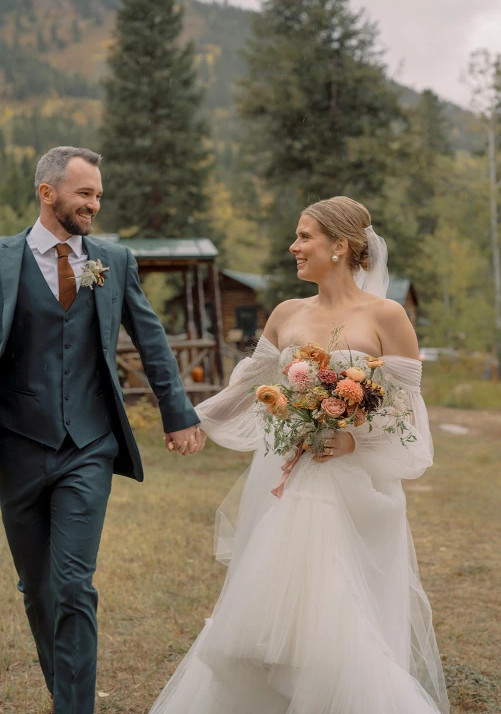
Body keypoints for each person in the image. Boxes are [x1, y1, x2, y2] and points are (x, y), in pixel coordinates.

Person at [150, 196, 450, 714]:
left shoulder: (387, 315)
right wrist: (192, 418)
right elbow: (247, 386)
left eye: (305, 235)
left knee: (339, 614)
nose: (294, 246)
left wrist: (353, 439)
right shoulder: (287, 313)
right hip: (287, 477)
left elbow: (407, 413)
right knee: (275, 607)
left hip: (355, 481)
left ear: (340, 246)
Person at [0, 146, 205, 714]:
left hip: (88, 445)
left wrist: (178, 412)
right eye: (85, 194)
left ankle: (74, 707)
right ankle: (63, 684)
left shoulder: (112, 260)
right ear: (48, 193)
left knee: (73, 585)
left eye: (98, 195)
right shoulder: (2, 260)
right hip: (16, 445)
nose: (95, 204)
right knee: (37, 591)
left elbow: (152, 340)